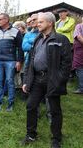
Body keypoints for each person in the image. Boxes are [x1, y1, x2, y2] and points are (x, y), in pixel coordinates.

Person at [21, 12, 71, 148]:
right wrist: (26, 80)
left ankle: (56, 139)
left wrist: (59, 80)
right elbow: (31, 61)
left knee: (54, 110)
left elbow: (66, 64)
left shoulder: (61, 39)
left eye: (41, 22)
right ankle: (31, 135)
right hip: (37, 79)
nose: (38, 24)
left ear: (50, 23)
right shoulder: (37, 39)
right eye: (38, 22)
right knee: (31, 105)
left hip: (52, 80)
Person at [0, 13, 24, 112]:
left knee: (10, 82)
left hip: (10, 60)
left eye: (0, 19)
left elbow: (20, 48)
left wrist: (19, 61)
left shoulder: (16, 31)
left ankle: (10, 103)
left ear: (6, 20)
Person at [72, 17, 83, 94]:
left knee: (79, 68)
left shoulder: (79, 26)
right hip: (79, 49)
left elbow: (78, 36)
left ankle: (81, 88)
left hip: (80, 50)